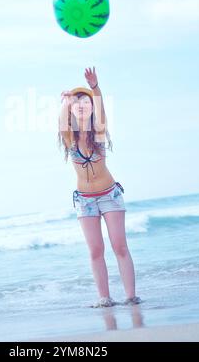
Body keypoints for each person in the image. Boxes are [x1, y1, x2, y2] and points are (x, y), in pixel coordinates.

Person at [58, 66, 141, 308]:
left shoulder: (100, 130)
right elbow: (62, 118)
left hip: (109, 195)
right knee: (96, 250)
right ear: (73, 109)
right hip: (84, 200)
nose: (82, 104)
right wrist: (66, 101)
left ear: (92, 108)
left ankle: (131, 296)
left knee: (119, 245)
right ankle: (104, 298)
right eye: (78, 102)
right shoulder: (69, 136)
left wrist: (94, 87)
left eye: (86, 101)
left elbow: (100, 105)